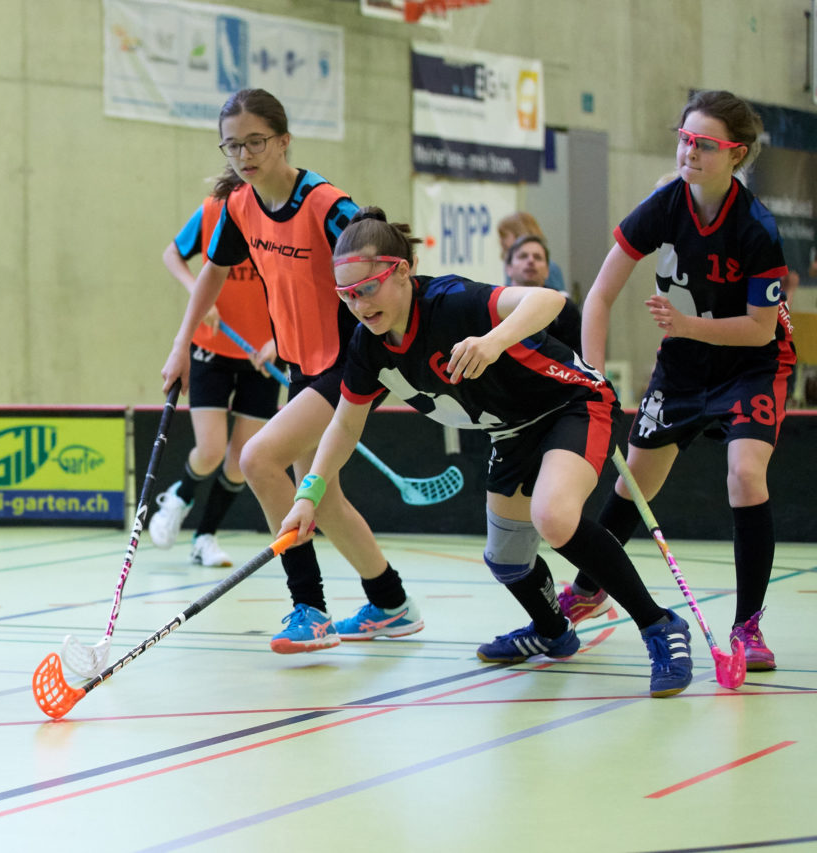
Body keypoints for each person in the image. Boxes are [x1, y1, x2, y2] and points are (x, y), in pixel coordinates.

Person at [279, 207, 694, 697]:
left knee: (554, 517)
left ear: (402, 272)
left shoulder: (452, 301)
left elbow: (547, 299)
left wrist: (495, 341)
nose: (358, 305)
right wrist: (309, 492)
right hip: (511, 430)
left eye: (366, 288)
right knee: (507, 558)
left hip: (571, 405)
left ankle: (660, 625)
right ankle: (553, 632)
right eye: (346, 295)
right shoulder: (368, 347)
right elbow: (346, 424)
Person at [161, 88, 422, 654]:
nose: (244, 155)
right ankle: (390, 602)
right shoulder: (238, 205)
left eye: (256, 142)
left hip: (353, 361)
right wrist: (183, 343)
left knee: (257, 457)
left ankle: (310, 608)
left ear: (283, 140)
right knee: (321, 496)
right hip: (305, 366)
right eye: (232, 146)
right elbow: (213, 271)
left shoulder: (326, 205)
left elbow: (386, 260)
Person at [557, 90, 794, 672]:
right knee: (635, 483)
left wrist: (687, 324)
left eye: (704, 144)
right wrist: (592, 375)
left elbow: (761, 332)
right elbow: (601, 296)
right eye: (684, 138)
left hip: (752, 364)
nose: (690, 150)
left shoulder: (758, 230)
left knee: (744, 473)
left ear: (736, 155)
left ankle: (748, 626)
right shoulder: (664, 205)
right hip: (685, 365)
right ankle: (590, 589)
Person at [148, 195, 280, 567]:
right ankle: (179, 496)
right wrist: (197, 292)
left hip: (263, 354)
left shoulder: (282, 220)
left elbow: (296, 288)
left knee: (240, 461)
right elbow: (172, 254)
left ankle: (205, 536)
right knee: (209, 452)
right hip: (211, 350)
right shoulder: (211, 212)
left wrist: (279, 340)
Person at [505, 234, 583, 353]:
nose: (530, 260)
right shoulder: (492, 303)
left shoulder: (565, 308)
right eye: (523, 256)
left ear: (547, 271)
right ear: (508, 269)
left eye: (537, 257)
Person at [497, 211, 567, 292]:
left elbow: (558, 297)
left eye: (504, 236)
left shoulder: (550, 267)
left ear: (518, 233)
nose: (501, 241)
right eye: (523, 256)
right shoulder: (512, 265)